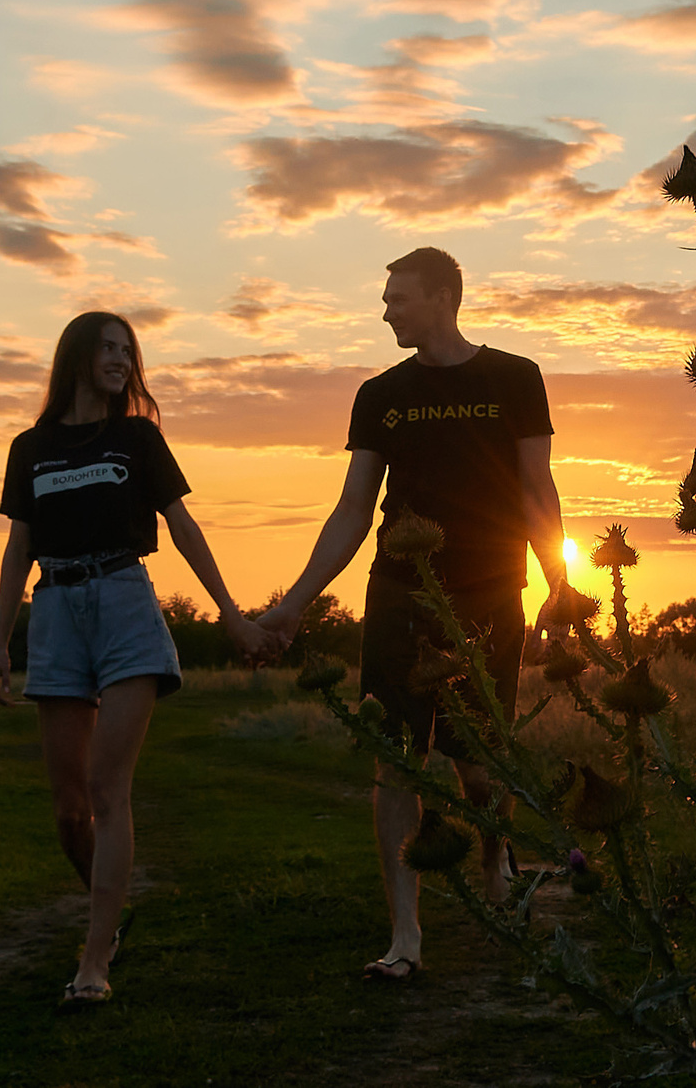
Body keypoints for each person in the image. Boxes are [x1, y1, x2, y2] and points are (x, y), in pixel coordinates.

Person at [259, 248, 567, 984]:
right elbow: (354, 509)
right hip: (399, 592)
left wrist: (562, 582)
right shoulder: (380, 393)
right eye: (387, 296)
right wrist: (296, 598)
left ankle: (496, 866)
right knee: (397, 755)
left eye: (398, 297)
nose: (386, 308)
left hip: (491, 592)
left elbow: (536, 488)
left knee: (480, 763)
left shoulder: (515, 377)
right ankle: (405, 931)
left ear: (443, 297)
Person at [0, 311, 269, 1008]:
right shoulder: (31, 447)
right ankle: (109, 909)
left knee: (110, 789)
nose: (120, 360)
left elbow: (183, 524)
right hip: (55, 610)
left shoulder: (137, 437)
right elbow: (18, 548)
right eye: (108, 349)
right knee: (68, 807)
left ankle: (94, 956)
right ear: (77, 357)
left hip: (124, 603)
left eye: (126, 351)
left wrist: (231, 613)